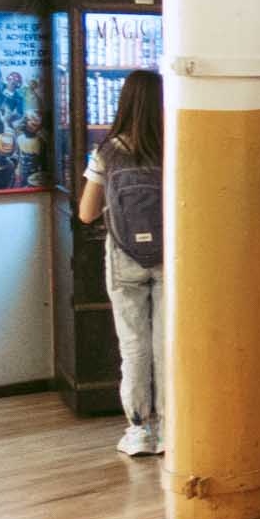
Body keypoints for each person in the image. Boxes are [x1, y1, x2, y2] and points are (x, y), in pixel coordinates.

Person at [78, 68, 165, 458]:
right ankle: (170, 430)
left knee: (134, 347)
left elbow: (86, 213)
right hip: (168, 258)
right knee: (165, 345)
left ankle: (138, 430)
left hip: (122, 256)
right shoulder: (173, 145)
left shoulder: (107, 151)